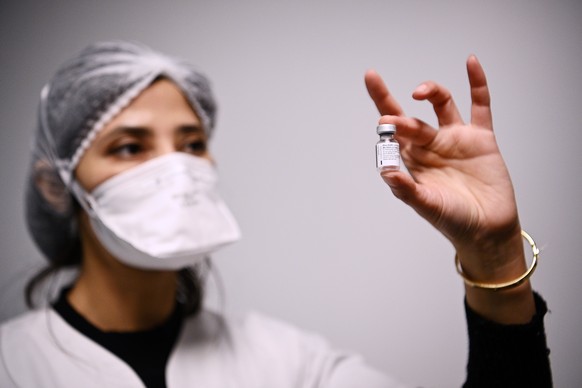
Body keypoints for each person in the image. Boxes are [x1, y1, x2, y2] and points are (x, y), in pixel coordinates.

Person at [0, 41, 551, 387]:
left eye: (191, 143)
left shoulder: (290, 366)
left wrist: (495, 255)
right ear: (57, 186)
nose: (175, 168)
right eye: (129, 147)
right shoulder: (12, 366)